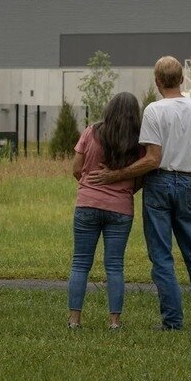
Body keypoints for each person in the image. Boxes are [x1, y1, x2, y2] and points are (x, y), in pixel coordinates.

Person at [89, 56, 191, 330]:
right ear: (182, 79)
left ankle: (173, 322)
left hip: (159, 185)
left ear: (157, 81)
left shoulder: (153, 111)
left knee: (162, 257)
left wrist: (114, 175)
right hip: (187, 182)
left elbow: (152, 159)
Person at [67, 92, 143, 330]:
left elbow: (76, 168)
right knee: (115, 265)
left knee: (80, 263)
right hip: (121, 209)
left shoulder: (91, 132)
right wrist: (124, 190)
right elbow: (141, 176)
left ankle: (74, 320)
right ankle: (114, 322)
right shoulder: (139, 143)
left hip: (87, 204)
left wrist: (89, 186)